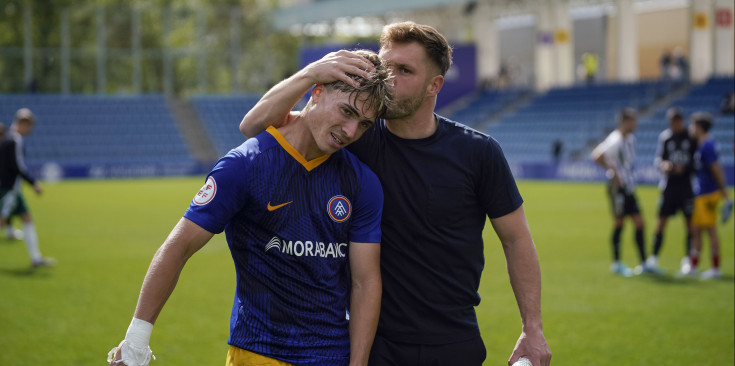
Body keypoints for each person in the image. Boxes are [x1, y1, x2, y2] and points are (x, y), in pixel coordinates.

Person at [240, 22, 551, 366]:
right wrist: (311, 73)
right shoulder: (351, 136)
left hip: (452, 342)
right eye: (385, 67)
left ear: (434, 85)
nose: (389, 79)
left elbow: (517, 240)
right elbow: (255, 127)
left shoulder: (478, 153)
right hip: (372, 344)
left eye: (404, 70)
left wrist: (532, 328)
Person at [107, 49, 392, 366]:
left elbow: (365, 282)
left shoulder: (362, 182)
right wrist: (135, 340)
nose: (351, 131)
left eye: (364, 124)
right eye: (346, 112)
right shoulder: (246, 165)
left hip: (331, 356)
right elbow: (178, 246)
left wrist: (358, 363)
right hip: (257, 353)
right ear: (318, 91)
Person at [591, 108, 649, 277]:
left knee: (639, 223)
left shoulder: (630, 139)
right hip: (618, 187)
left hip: (629, 186)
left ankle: (644, 263)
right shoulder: (615, 139)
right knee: (619, 223)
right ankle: (616, 263)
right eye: (632, 121)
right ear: (624, 122)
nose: (635, 124)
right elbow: (596, 155)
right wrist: (614, 172)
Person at [682, 112, 732, 279]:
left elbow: (716, 169)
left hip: (707, 194)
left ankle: (714, 268)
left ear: (699, 127)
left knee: (708, 230)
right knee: (697, 229)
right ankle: (695, 266)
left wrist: (725, 195)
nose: (690, 128)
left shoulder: (707, 146)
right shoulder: (705, 143)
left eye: (692, 125)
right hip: (703, 193)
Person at [0, 108, 53, 267]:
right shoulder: (15, 140)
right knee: (2, 221)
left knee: (27, 218)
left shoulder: (7, 139)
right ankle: (36, 258)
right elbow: (18, 167)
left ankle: (36, 258)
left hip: (9, 188)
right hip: (10, 189)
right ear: (22, 123)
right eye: (28, 125)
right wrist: (33, 183)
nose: (30, 129)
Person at [647, 107, 697, 273]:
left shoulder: (691, 138)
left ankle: (688, 260)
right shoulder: (666, 137)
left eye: (676, 121)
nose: (674, 125)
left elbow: (696, 162)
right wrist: (664, 165)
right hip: (668, 186)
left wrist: (684, 169)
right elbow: (658, 159)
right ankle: (653, 257)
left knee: (689, 223)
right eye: (671, 122)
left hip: (686, 186)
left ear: (681, 121)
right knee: (661, 222)